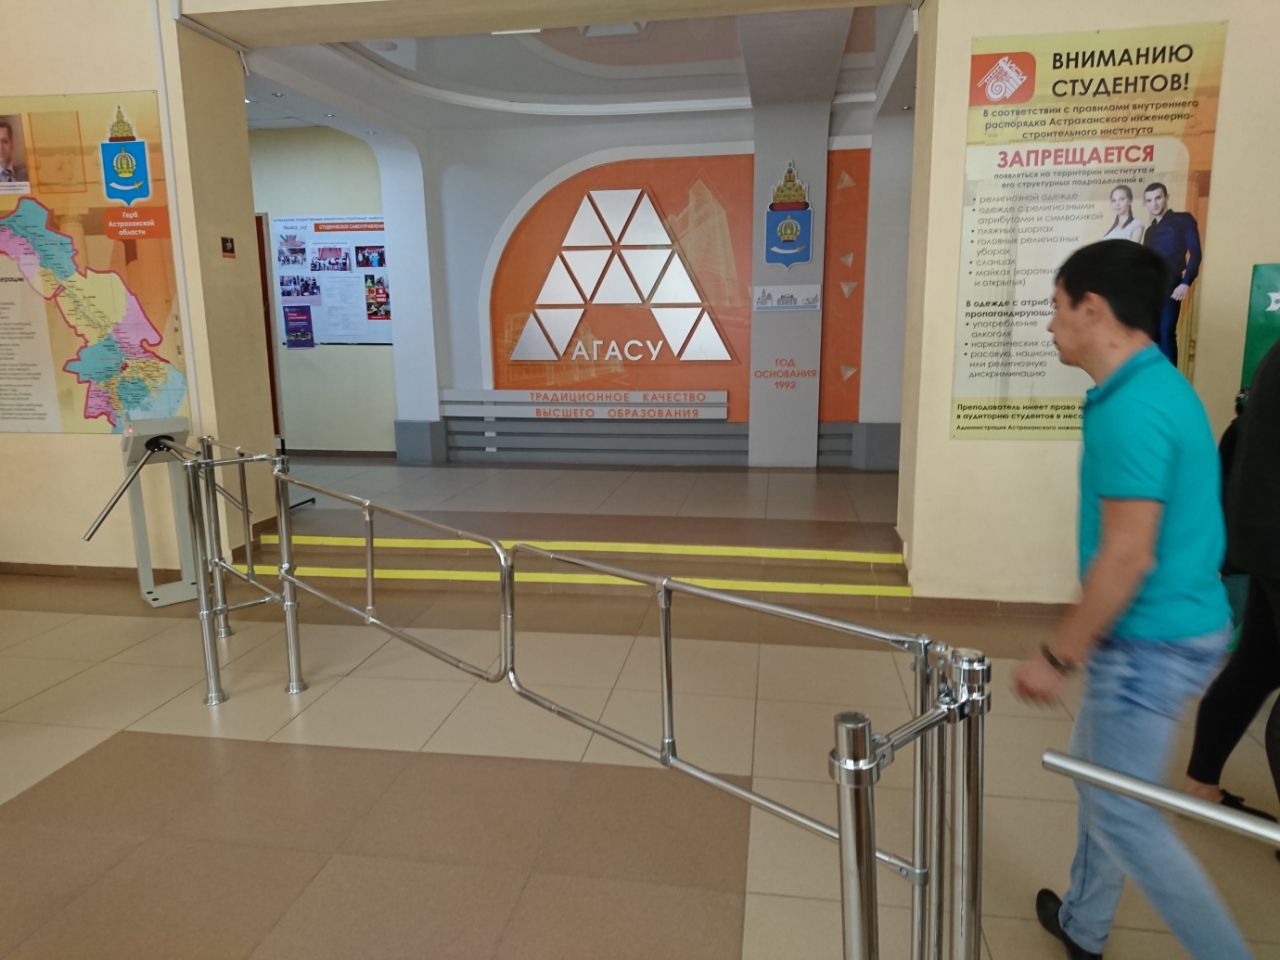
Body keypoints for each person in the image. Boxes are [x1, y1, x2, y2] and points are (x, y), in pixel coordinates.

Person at [1014, 239, 1249, 959]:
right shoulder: (1152, 386)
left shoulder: (1135, 409)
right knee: (1097, 782)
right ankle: (1084, 923)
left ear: (1093, 308)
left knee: (1125, 816)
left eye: (1057, 306)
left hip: (1152, 644)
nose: (1050, 323)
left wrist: (1057, 655)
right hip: (1159, 631)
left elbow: (1126, 556)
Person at [1185, 338, 1280, 842]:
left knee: (1257, 664)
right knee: (1256, 665)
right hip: (1271, 540)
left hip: (1264, 541)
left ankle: (1201, 783)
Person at [1142, 182, 1202, 365]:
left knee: (1166, 332)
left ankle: (1169, 379)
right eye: (1149, 200)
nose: (1154, 203)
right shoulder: (1149, 231)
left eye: (1158, 198)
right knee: (1152, 336)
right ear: (1146, 204)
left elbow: (1195, 253)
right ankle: (1155, 377)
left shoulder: (1183, 220)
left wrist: (1186, 282)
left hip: (1172, 283)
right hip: (1150, 288)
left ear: (1166, 197)